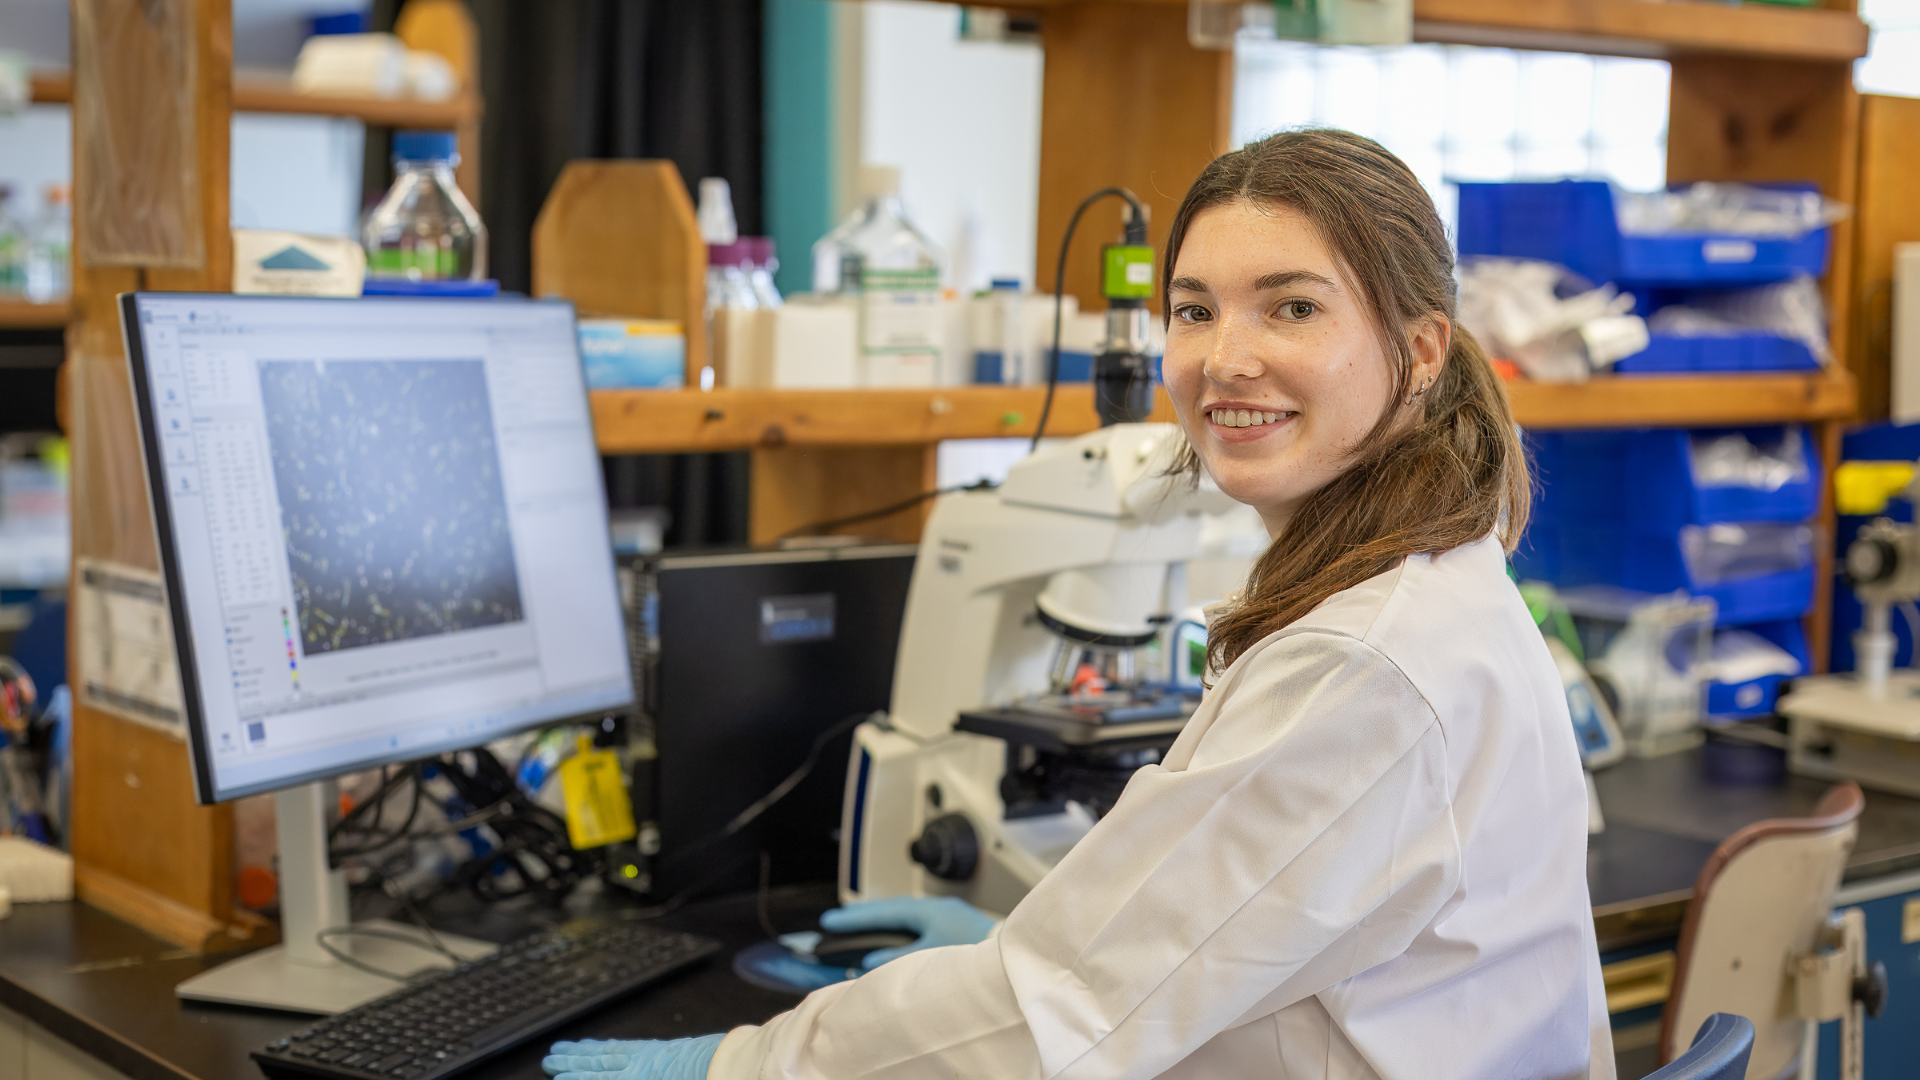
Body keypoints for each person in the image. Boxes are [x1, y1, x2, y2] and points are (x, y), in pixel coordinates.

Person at [543, 129, 1612, 1080]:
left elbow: (1054, 1026)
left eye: (1292, 305)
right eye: (1194, 311)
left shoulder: (1363, 662)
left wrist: (745, 1063)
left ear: (1420, 350)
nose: (1226, 361)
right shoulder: (1437, 578)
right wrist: (1031, 944)